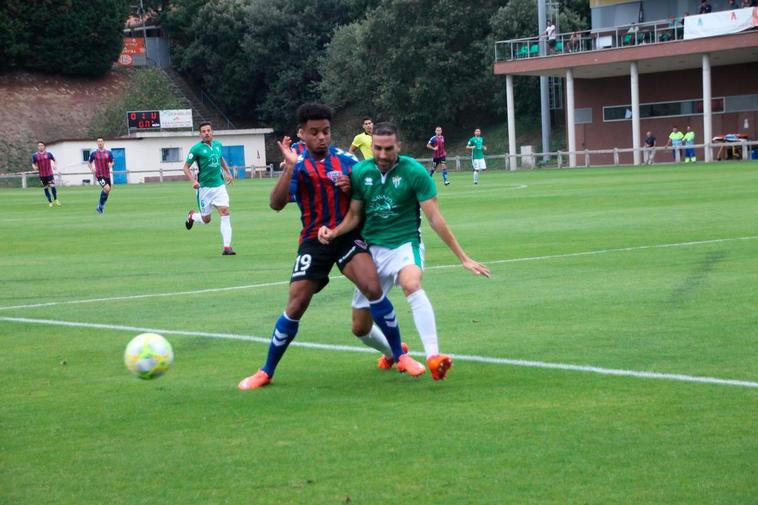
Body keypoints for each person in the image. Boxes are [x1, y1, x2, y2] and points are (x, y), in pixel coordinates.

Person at [238, 104, 425, 391]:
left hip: (347, 236)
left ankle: (400, 356)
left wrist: (351, 189)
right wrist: (288, 168)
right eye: (314, 133)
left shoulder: (347, 161)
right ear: (302, 133)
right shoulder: (297, 164)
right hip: (314, 241)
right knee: (296, 303)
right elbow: (275, 203)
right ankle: (266, 370)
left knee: (372, 287)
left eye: (325, 131)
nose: (321, 137)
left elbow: (366, 198)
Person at [319, 122, 491, 381]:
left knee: (411, 283)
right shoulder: (361, 172)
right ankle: (393, 352)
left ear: (398, 146)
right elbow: (354, 216)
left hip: (404, 244)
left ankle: (434, 357)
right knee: (360, 327)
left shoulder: (414, 172)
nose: (383, 154)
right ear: (371, 147)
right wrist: (333, 232)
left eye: (389, 149)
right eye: (377, 148)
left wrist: (463, 258)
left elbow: (435, 218)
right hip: (370, 251)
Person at [183, 122, 236, 255]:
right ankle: (192, 216)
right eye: (203, 131)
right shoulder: (196, 149)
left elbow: (220, 159)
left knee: (225, 213)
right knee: (207, 219)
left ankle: (227, 247)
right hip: (204, 189)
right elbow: (185, 167)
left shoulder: (218, 145)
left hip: (219, 186)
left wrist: (228, 173)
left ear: (212, 132)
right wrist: (193, 181)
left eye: (208, 130)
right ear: (200, 134)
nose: (206, 133)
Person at [88, 137, 114, 214]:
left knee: (108, 191)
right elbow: (89, 162)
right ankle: (100, 206)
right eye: (98, 141)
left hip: (107, 174)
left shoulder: (108, 153)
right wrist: (92, 168)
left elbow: (112, 161)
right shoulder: (94, 153)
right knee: (106, 188)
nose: (100, 143)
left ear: (103, 142)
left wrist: (110, 165)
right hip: (99, 175)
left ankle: (101, 207)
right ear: (97, 143)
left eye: (101, 141)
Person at [32, 141, 59, 207]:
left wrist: (55, 165)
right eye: (39, 146)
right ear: (38, 147)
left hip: (49, 174)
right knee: (46, 188)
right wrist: (35, 167)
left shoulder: (49, 154)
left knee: (52, 187)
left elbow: (55, 160)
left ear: (44, 146)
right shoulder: (35, 155)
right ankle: (50, 202)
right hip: (42, 175)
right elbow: (33, 163)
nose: (40, 147)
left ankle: (55, 199)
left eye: (41, 145)